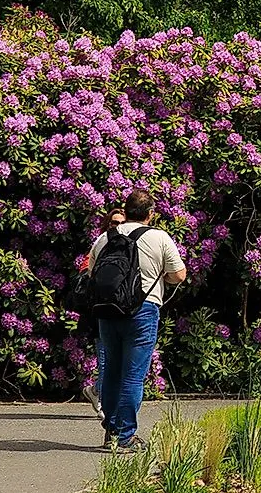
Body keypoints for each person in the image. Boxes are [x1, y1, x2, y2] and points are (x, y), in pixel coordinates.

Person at [88, 190, 186, 450]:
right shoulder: (159, 237)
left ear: (126, 209)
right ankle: (126, 436)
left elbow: (91, 272)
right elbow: (179, 274)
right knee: (133, 375)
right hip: (143, 311)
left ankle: (111, 430)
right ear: (150, 213)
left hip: (108, 311)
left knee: (111, 372)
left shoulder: (104, 238)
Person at [76, 202, 125, 427]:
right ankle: (106, 409)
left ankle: (96, 391)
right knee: (105, 361)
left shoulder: (128, 247)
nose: (118, 227)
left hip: (121, 313)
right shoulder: (100, 245)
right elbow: (86, 272)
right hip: (99, 313)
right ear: (107, 224)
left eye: (122, 223)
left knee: (118, 362)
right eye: (114, 223)